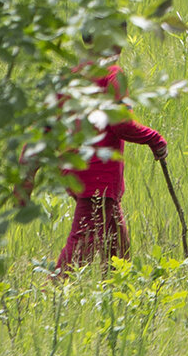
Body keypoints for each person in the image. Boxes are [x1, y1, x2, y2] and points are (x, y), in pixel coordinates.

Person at [54, 59, 167, 272]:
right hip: (99, 178)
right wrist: (154, 139)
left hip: (75, 172)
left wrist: (28, 175)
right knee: (79, 250)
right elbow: (122, 124)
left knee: (117, 245)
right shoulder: (113, 76)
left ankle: (119, 294)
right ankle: (51, 297)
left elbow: (46, 126)